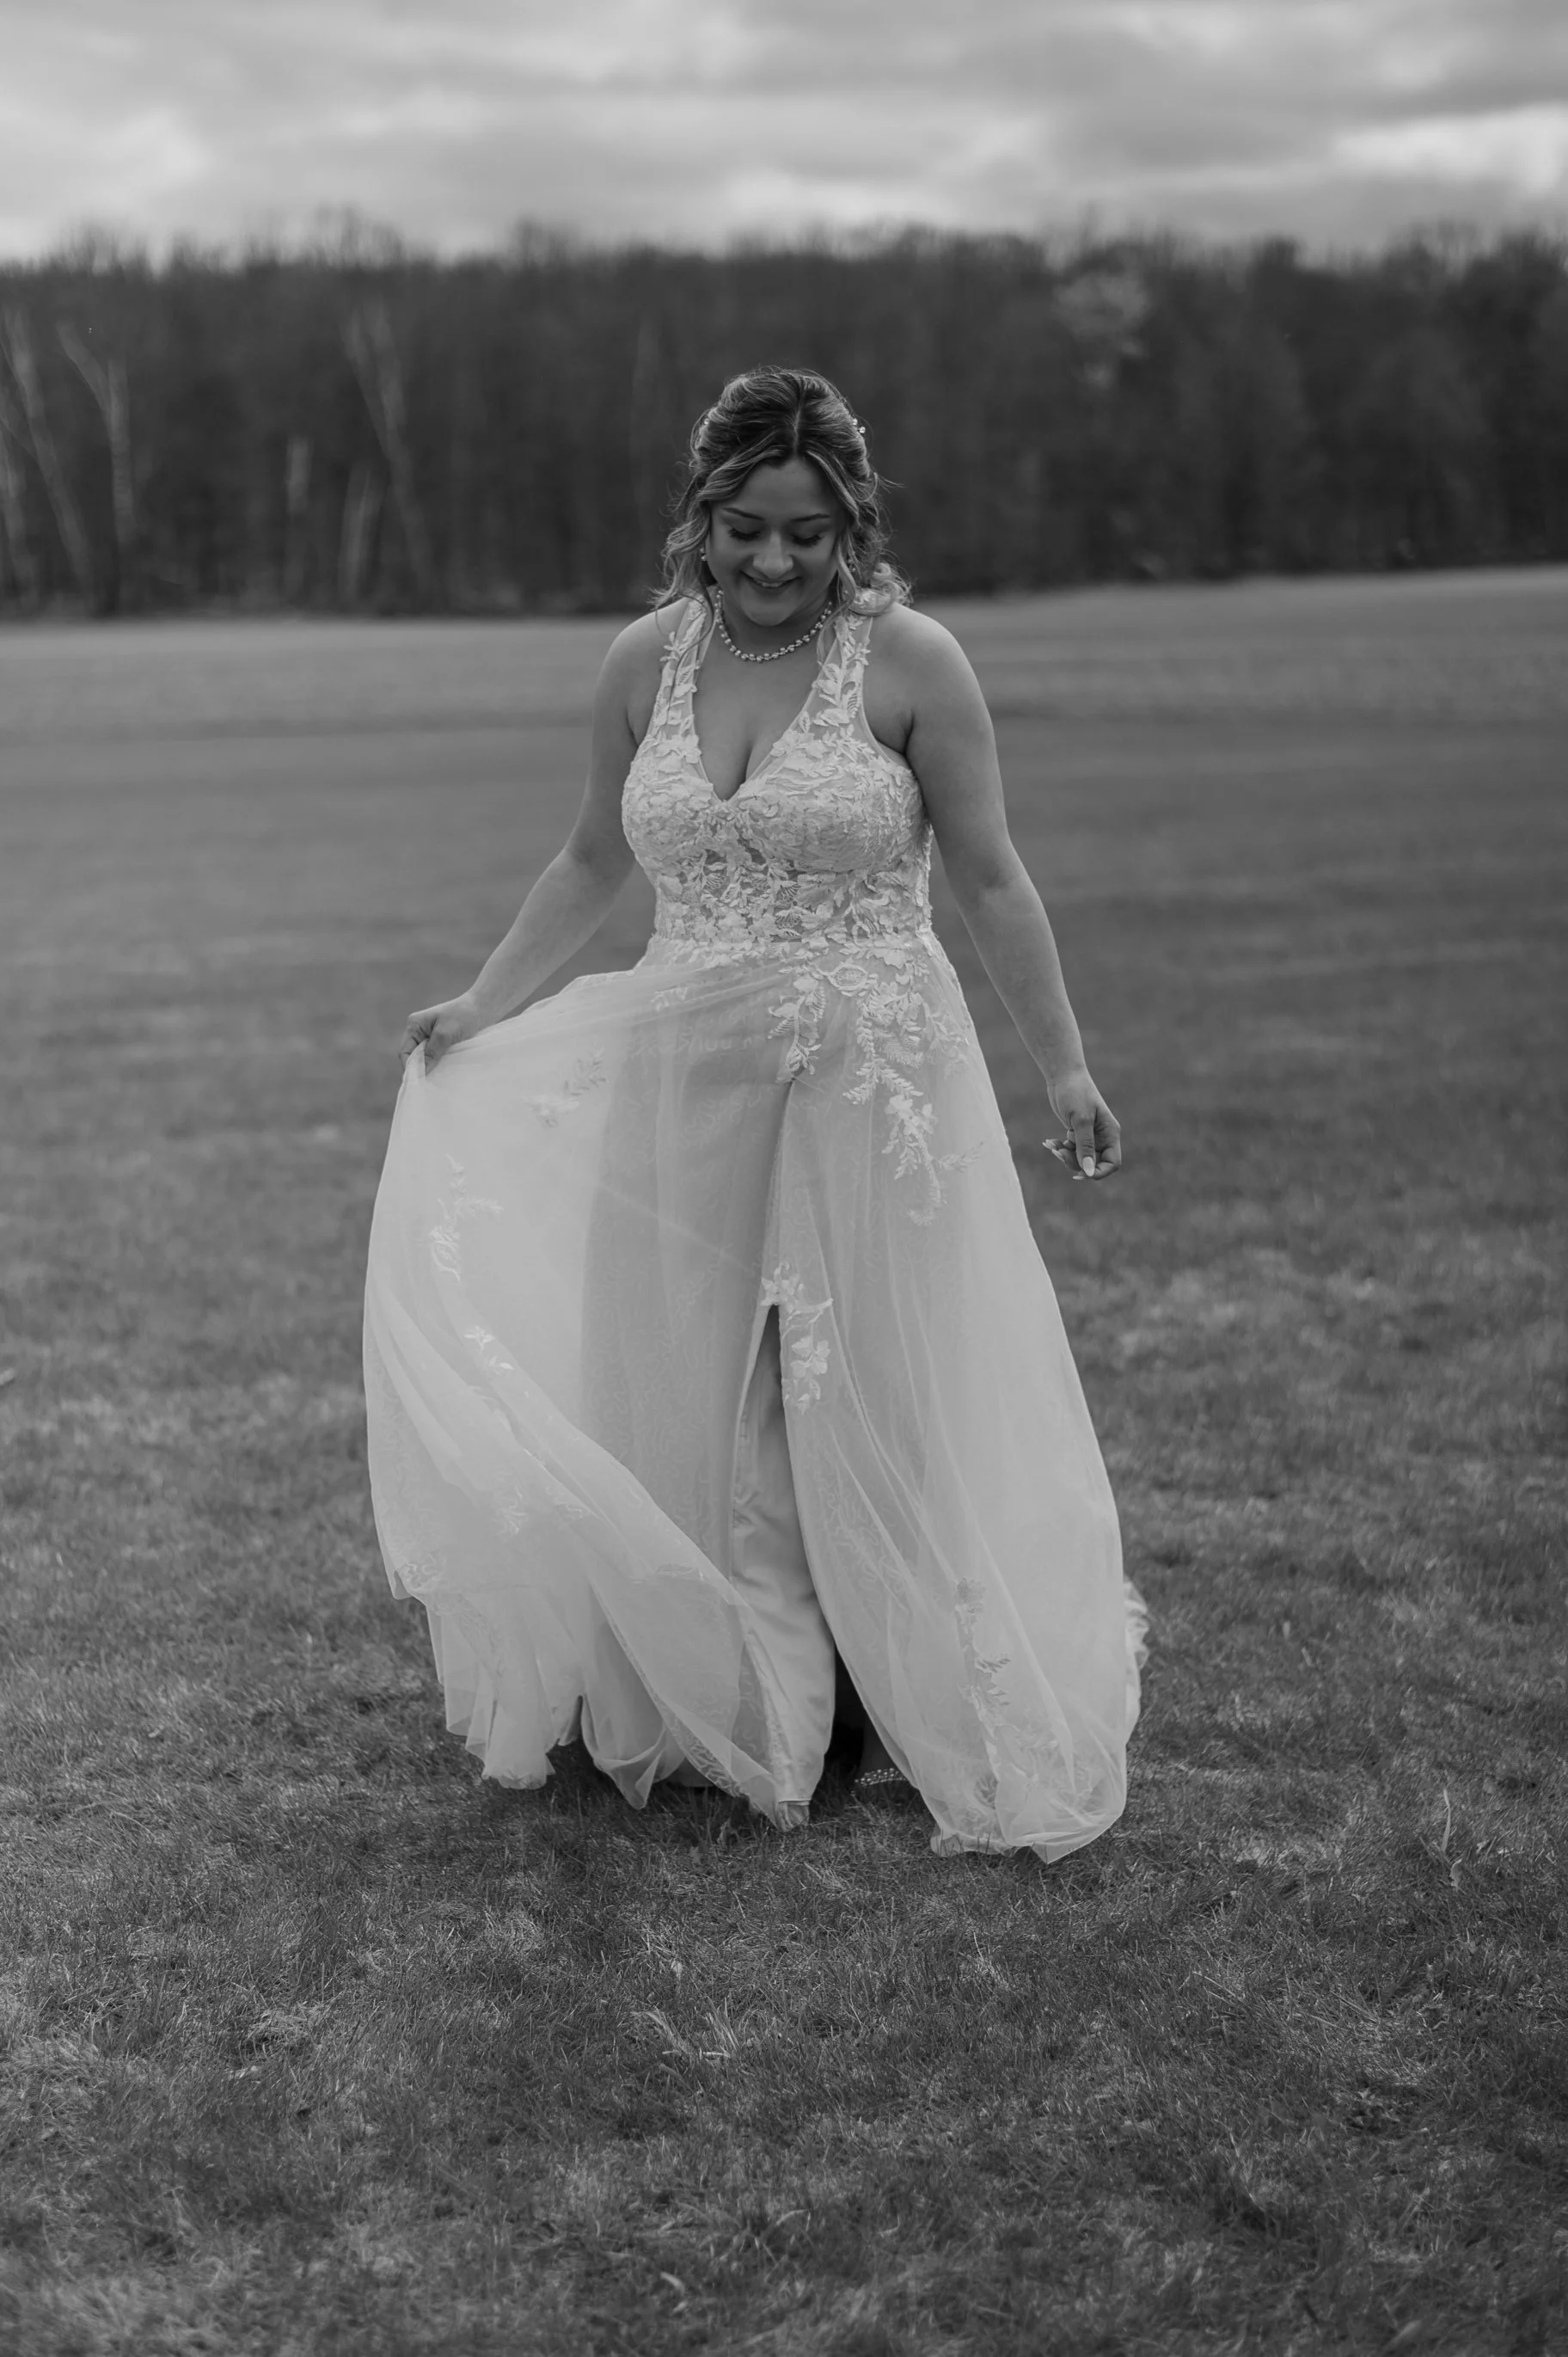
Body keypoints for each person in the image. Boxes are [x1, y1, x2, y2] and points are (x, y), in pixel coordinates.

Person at [363, 365, 1145, 1861]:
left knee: (859, 1380)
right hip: (683, 1070)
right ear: (699, 515)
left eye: (808, 530)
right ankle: (730, 1695)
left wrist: (1065, 1064)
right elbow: (592, 863)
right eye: (744, 528)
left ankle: (887, 1694)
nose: (775, 561)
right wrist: (485, 1003)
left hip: (870, 1075)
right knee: (685, 1379)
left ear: (852, 520)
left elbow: (989, 877)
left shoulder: (912, 661)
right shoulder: (642, 663)